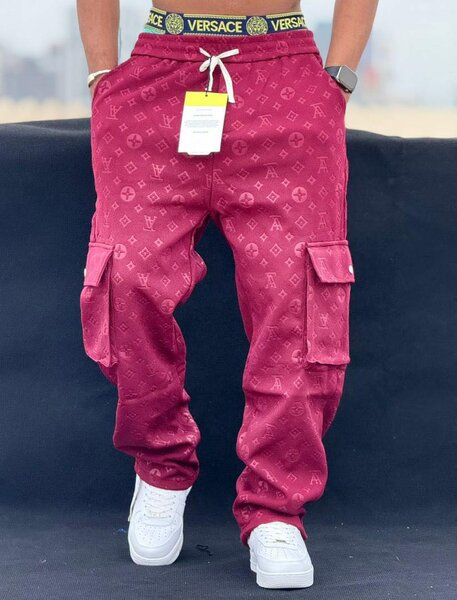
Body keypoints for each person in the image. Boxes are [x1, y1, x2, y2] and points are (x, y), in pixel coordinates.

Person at [77, 0, 378, 589]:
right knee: (126, 278)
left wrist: (338, 78)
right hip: (158, 73)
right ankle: (161, 466)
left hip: (284, 73)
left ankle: (276, 507)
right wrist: (101, 76)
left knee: (297, 295)